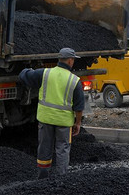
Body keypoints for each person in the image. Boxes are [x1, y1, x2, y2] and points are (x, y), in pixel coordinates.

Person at [19, 48, 84, 179]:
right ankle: (61, 178)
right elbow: (79, 107)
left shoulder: (45, 74)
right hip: (64, 122)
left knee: (44, 147)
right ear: (70, 61)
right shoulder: (74, 80)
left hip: (46, 119)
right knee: (62, 149)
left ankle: (43, 177)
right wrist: (78, 123)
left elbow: (23, 76)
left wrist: (27, 70)